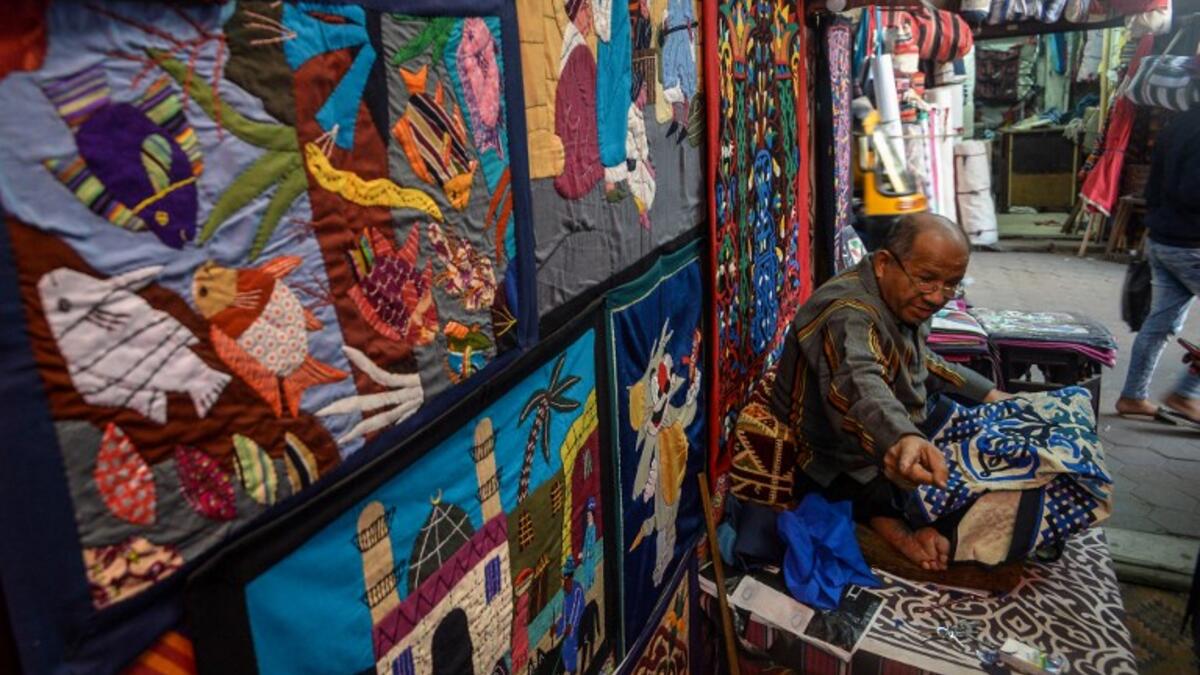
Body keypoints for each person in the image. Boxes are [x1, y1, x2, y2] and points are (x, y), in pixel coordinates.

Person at [761, 213, 1010, 571]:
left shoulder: (903, 298)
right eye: (927, 280)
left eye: (951, 284)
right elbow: (861, 385)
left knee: (983, 437)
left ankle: (902, 511)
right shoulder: (848, 313)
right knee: (917, 485)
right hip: (826, 451)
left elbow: (921, 360)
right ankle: (888, 520)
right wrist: (902, 437)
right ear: (883, 264)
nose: (938, 296)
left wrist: (988, 395)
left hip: (891, 422)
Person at [1115, 106, 1200, 426]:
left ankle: (1133, 396)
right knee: (1160, 323)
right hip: (1191, 242)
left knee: (1160, 323)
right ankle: (1186, 393)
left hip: (1165, 239)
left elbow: (1153, 187)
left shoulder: (1178, 123)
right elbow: (1192, 190)